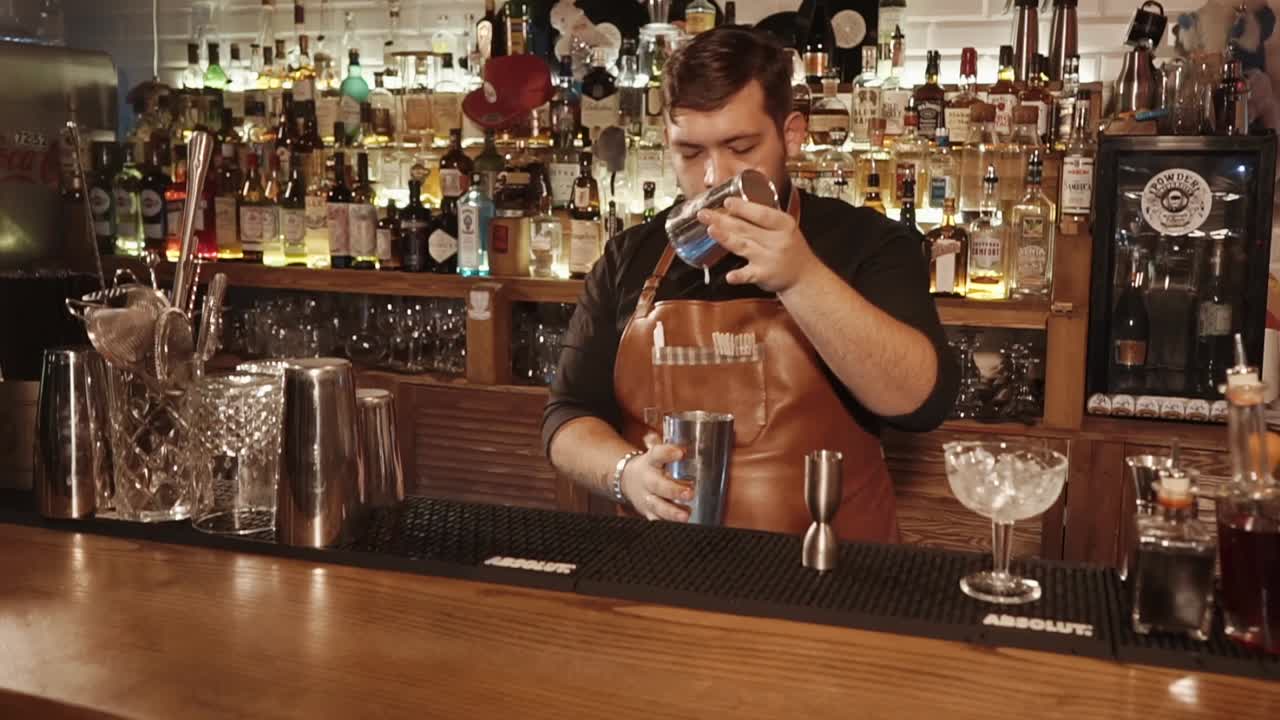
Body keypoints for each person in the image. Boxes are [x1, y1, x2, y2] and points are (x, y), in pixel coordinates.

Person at [541, 27, 959, 542]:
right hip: (666, 572)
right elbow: (566, 417)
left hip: (833, 577)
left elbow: (922, 402)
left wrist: (802, 277)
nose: (715, 174)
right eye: (690, 153)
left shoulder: (867, 242)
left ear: (791, 135)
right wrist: (625, 473)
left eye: (740, 146)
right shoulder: (631, 256)